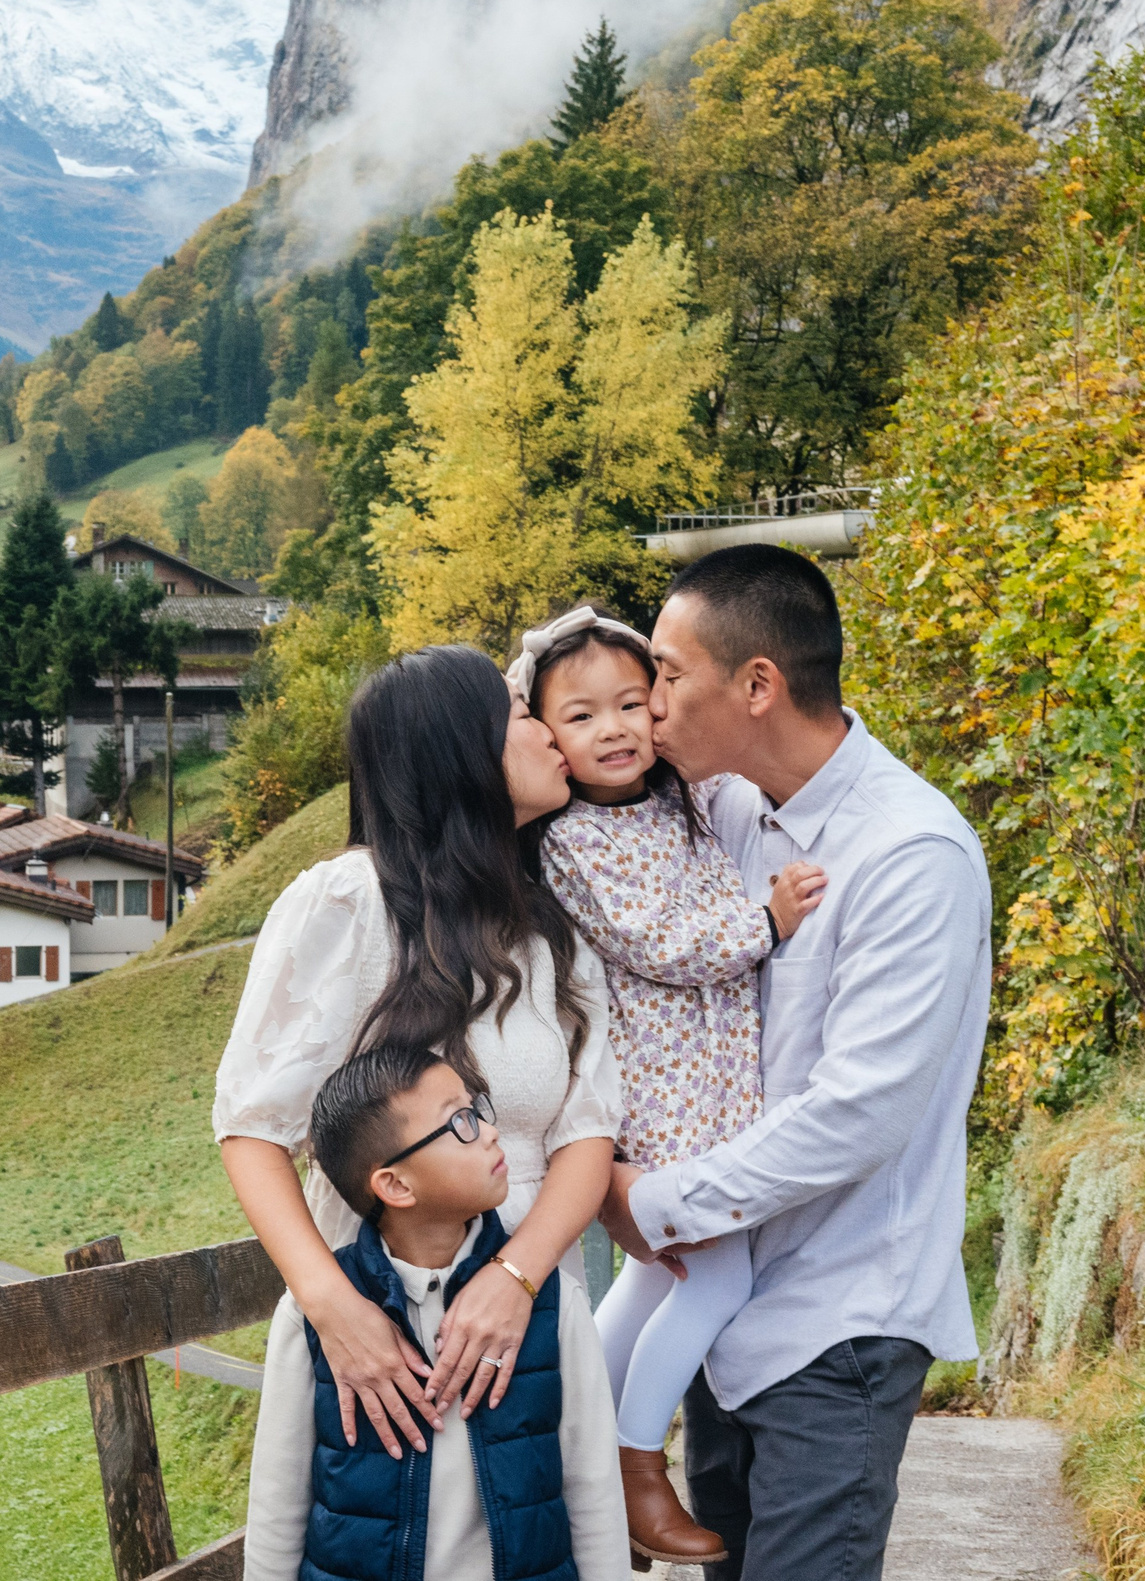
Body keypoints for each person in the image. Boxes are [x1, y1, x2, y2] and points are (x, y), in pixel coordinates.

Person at [598, 544, 992, 1580]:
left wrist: (655, 1201)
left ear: (758, 684)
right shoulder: (717, 812)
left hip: (837, 1318)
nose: (647, 704)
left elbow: (858, 1110)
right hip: (717, 1312)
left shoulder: (912, 855)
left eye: (668, 678)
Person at [214, 642, 622, 1466]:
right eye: (519, 715)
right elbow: (253, 1126)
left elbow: (588, 1129)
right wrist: (333, 1307)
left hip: (534, 1315)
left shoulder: (550, 932)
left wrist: (515, 1280)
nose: (549, 732)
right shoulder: (350, 901)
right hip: (381, 1333)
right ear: (460, 752)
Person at [509, 605, 824, 1568]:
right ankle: (638, 1460)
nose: (613, 730)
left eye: (633, 704)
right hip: (659, 1084)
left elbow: (760, 744)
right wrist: (764, 924)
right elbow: (662, 941)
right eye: (580, 716)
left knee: (660, 1271)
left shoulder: (677, 793)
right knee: (717, 1270)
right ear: (545, 738)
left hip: (711, 1073)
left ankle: (583, 1458)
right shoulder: (570, 840)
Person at [244, 1044, 629, 1581]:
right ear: (396, 1185)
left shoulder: (553, 1302)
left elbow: (594, 1488)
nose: (491, 1131)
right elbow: (277, 1503)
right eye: (461, 1122)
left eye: (478, 1109)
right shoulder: (313, 1317)